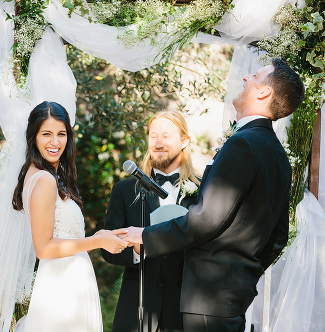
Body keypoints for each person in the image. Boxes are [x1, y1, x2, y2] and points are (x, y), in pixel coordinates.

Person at [121, 58, 301, 332]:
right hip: (231, 296)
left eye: (254, 75)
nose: (245, 78)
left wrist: (144, 236)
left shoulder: (243, 143)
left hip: (208, 297)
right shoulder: (277, 154)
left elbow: (206, 219)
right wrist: (240, 274)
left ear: (264, 92)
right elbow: (278, 237)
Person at [11, 101, 130, 332]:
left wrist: (101, 235)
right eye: (46, 134)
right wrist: (97, 242)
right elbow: (43, 248)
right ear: (33, 137)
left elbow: (63, 236)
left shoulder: (43, 175)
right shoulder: (44, 180)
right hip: (61, 289)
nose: (55, 142)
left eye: (61, 134)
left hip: (68, 282)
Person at [101, 111, 200, 332]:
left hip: (185, 310)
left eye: (166, 135)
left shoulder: (204, 189)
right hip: (137, 308)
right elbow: (107, 250)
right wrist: (137, 251)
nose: (158, 142)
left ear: (184, 141)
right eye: (153, 136)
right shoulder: (124, 190)